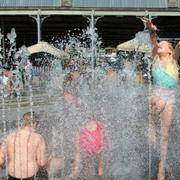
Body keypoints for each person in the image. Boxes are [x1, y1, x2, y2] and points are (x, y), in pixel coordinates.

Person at [143, 17, 180, 180]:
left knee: (165, 135)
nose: (160, 45)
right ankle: (151, 124)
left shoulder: (173, 60)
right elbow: (153, 41)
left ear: (170, 51)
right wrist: (152, 30)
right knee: (158, 102)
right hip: (156, 95)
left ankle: (161, 169)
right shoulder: (155, 59)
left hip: (170, 98)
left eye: (163, 44)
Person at [0, 112, 48, 180]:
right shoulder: (38, 138)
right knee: (43, 172)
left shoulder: (8, 137)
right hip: (32, 175)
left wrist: (7, 166)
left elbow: (0, 161)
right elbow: (42, 163)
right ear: (34, 123)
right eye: (37, 124)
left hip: (13, 176)